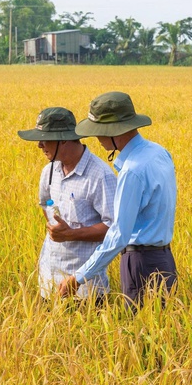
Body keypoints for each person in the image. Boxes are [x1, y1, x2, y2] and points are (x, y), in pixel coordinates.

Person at [58, 92, 177, 313]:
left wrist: (79, 277)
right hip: (165, 259)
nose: (96, 137)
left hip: (140, 263)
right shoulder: (159, 153)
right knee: (164, 327)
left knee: (139, 329)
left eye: (98, 131)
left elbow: (119, 234)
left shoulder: (132, 170)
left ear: (113, 130)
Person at [17, 107, 116, 304]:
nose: (39, 145)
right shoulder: (49, 171)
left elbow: (114, 229)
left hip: (85, 287)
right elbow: (45, 204)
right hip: (49, 279)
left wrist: (70, 234)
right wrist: (57, 229)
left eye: (45, 139)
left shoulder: (100, 175)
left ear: (63, 139)